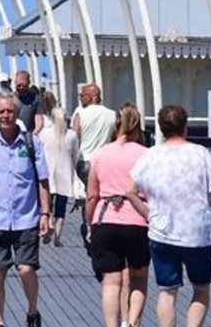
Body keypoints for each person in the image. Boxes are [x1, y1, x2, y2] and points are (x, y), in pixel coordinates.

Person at [125, 106, 211, 327]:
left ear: (162, 129)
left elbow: (130, 191)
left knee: (167, 291)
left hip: (162, 233)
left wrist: (148, 215)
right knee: (201, 289)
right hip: (197, 234)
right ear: (186, 126)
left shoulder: (150, 155)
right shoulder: (201, 154)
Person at [0, 93, 51, 327]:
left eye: (10, 111)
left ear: (17, 114)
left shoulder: (31, 143)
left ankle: (32, 311)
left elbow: (42, 180)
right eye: (1, 112)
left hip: (26, 218)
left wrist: (46, 214)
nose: (6, 115)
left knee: (26, 269)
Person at [85, 103, 150, 327]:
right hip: (138, 221)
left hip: (106, 219)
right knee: (139, 278)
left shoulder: (101, 154)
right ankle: (132, 322)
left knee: (111, 283)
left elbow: (92, 194)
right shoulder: (146, 155)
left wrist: (89, 223)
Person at [39, 107, 79, 247]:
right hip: (65, 175)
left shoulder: (45, 133)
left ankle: (47, 226)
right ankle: (57, 237)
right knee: (61, 209)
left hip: (48, 174)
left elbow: (40, 154)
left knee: (47, 205)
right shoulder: (72, 135)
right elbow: (75, 155)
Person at [73, 83, 116, 190]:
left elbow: (74, 137)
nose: (80, 98)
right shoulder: (112, 114)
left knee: (87, 196)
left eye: (82, 95)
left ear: (89, 97)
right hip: (104, 160)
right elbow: (115, 137)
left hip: (85, 159)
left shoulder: (80, 114)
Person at [13, 71, 44, 135]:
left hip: (29, 134)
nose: (21, 88)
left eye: (24, 86)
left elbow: (39, 120)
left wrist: (32, 136)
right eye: (19, 85)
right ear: (15, 82)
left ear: (29, 83)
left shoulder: (35, 99)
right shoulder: (9, 98)